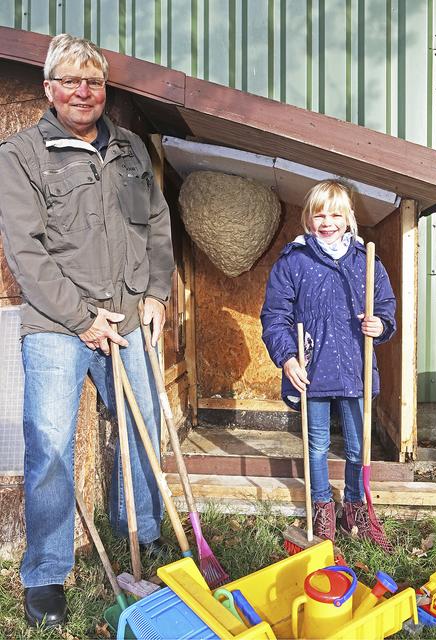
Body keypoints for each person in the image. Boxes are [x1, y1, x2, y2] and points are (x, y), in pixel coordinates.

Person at [0, 34, 174, 627]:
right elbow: (25, 250)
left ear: (104, 91)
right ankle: (46, 574)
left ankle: (144, 534)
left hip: (127, 314)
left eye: (93, 82)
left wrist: (154, 292)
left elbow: (156, 222)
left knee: (141, 425)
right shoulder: (21, 155)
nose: (83, 91)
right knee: (49, 443)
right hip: (57, 322)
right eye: (71, 81)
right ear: (49, 89)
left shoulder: (127, 149)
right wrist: (82, 317)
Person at [261, 179, 396, 551]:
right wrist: (287, 358)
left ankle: (355, 505)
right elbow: (274, 315)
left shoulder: (364, 260)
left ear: (349, 218)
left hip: (355, 368)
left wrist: (380, 324)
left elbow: (385, 305)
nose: (327, 221)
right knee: (317, 445)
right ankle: (322, 506)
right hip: (311, 368)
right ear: (308, 218)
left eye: (335, 214)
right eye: (319, 214)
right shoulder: (295, 261)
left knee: (358, 446)